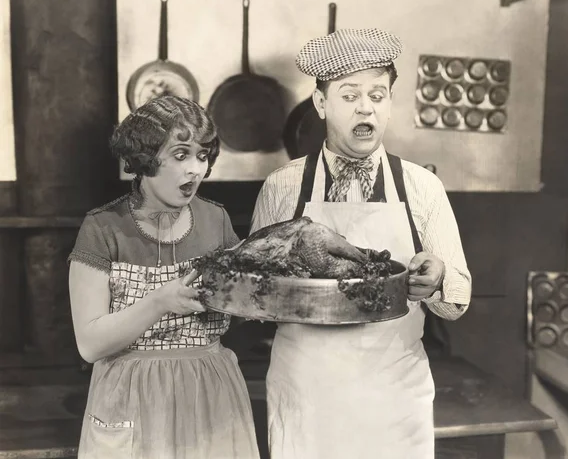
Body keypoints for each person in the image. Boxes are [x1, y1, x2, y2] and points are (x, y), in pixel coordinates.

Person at [250, 28, 472, 459]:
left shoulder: (423, 187)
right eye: (349, 96)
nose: (365, 108)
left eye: (378, 94)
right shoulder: (283, 186)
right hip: (306, 394)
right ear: (320, 104)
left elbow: (457, 301)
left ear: (390, 102)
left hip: (392, 396)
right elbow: (256, 297)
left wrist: (439, 278)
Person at [68, 96, 260, 459]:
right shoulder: (103, 227)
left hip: (210, 392)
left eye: (202, 156)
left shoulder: (216, 220)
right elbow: (90, 344)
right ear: (144, 158)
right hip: (131, 396)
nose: (195, 170)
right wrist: (160, 301)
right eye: (181, 154)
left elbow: (246, 297)